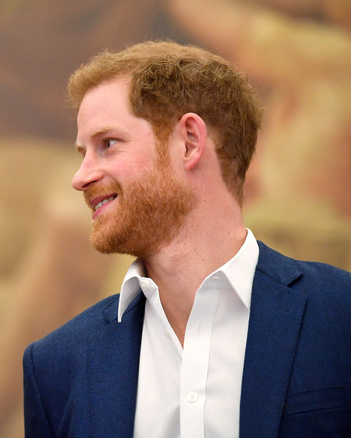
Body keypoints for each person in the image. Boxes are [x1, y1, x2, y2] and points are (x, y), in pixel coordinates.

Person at [22, 40, 351, 437]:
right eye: (82, 152)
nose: (80, 177)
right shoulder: (57, 364)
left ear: (190, 142)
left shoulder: (340, 315)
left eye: (107, 144)